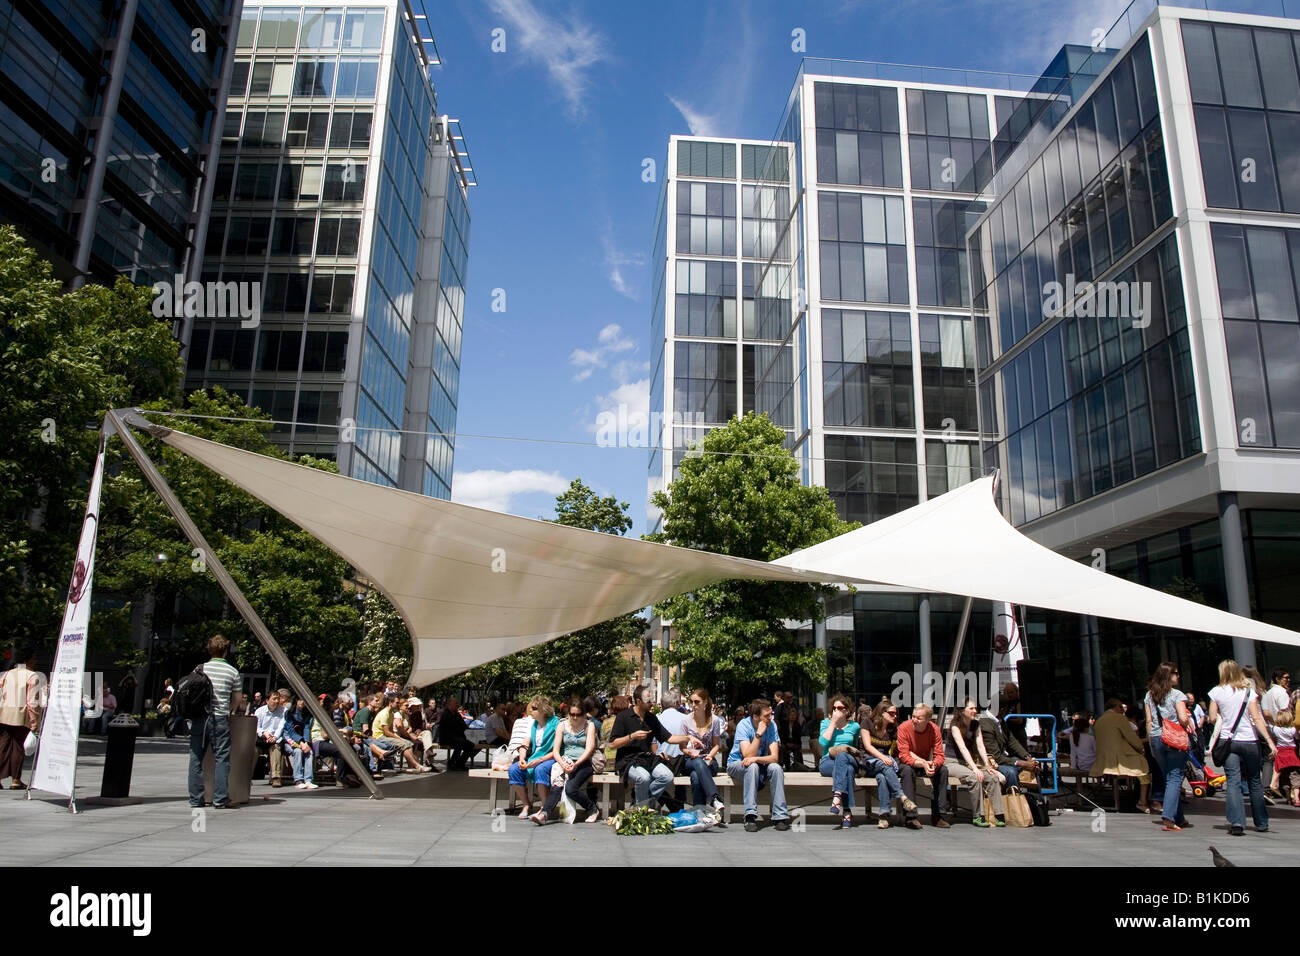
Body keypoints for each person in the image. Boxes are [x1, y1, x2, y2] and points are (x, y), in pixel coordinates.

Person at [1208, 659, 1277, 836]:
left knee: (1233, 781)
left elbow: (1212, 717)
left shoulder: (1216, 692)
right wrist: (1269, 741)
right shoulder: (1248, 692)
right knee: (1254, 780)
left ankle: (1237, 822)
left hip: (1228, 742)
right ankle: (1261, 822)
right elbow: (1257, 718)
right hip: (1249, 741)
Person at [187, 635, 242, 809]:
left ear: (209, 650)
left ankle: (196, 799)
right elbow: (237, 698)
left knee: (196, 758)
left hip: (200, 718)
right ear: (225, 651)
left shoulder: (199, 669)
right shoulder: (232, 672)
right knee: (222, 759)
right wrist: (227, 709)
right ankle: (220, 799)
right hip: (220, 718)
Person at [611, 685, 687, 810]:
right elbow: (613, 744)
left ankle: (640, 805)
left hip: (647, 759)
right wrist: (631, 737)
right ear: (638, 701)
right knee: (644, 777)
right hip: (627, 760)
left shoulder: (651, 718)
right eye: (649, 700)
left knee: (667, 776)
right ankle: (641, 811)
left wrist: (688, 738)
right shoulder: (623, 717)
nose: (652, 703)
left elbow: (668, 738)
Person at [1144, 662, 1195, 832]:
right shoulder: (1177, 694)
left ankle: (1178, 817)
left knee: (1169, 777)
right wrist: (1188, 721)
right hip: (1173, 738)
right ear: (1168, 675)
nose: (1178, 676)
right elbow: (1182, 718)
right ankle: (1169, 816)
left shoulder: (1149, 695)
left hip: (1156, 738)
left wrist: (1151, 744)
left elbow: (1149, 721)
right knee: (1175, 777)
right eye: (1176, 673)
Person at [531, 697, 600, 824]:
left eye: (578, 715)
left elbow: (589, 749)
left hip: (583, 762)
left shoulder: (589, 726)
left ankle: (592, 809)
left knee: (570, 788)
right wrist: (563, 764)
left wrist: (576, 763)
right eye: (572, 714)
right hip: (565, 761)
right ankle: (544, 814)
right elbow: (556, 751)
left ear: (583, 714)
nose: (574, 718)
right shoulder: (562, 725)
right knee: (557, 786)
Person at [726, 697, 789, 832]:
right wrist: (758, 734)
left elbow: (774, 757)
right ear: (755, 716)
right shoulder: (744, 725)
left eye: (771, 714)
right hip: (737, 763)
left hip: (759, 762)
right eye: (766, 716)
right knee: (752, 767)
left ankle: (780, 816)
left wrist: (756, 759)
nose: (770, 718)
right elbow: (747, 756)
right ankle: (750, 815)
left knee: (776, 769)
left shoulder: (772, 726)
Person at [945, 699, 1005, 827]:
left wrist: (987, 766)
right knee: (974, 777)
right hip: (952, 762)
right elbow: (963, 748)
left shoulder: (975, 724)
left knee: (992, 777)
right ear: (962, 710)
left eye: (975, 708)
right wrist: (975, 768)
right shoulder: (955, 725)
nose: (975, 711)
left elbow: (980, 745)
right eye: (971, 709)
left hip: (967, 763)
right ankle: (978, 815)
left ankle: (999, 814)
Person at [1091, 698, 1152, 812]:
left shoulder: (1099, 720)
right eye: (1121, 707)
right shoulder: (1119, 718)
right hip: (1119, 759)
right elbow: (1132, 738)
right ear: (1116, 707)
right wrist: (1141, 746)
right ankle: (1142, 801)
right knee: (1144, 771)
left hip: (1103, 759)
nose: (1124, 710)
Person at [861, 701, 913, 829]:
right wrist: (883, 757)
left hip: (884, 763)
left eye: (896, 713)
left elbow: (902, 746)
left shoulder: (892, 728)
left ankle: (884, 816)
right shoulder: (867, 723)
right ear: (881, 713)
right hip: (869, 761)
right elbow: (867, 746)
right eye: (891, 713)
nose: (894, 716)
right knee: (885, 766)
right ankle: (901, 796)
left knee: (882, 778)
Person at [897, 703, 949, 829]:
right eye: (913, 716)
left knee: (943, 770)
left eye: (918, 718)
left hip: (925, 763)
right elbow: (904, 755)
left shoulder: (934, 729)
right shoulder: (904, 727)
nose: (914, 720)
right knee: (907, 771)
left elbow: (940, 755)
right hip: (906, 763)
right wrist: (923, 763)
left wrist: (934, 765)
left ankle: (938, 815)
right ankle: (910, 817)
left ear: (928, 720)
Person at [508, 696, 559, 817]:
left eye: (534, 708)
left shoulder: (556, 724)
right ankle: (526, 804)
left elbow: (557, 751)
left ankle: (544, 807)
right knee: (514, 769)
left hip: (551, 757)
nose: (530, 711)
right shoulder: (534, 724)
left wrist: (539, 760)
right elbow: (525, 744)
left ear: (543, 710)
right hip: (535, 758)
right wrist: (521, 758)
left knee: (540, 769)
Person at [0, 645, 42, 790]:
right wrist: (34, 721)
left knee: (3, 747)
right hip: (20, 715)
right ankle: (16, 780)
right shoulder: (32, 676)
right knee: (18, 748)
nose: (36, 661)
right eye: (34, 658)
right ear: (27, 660)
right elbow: (32, 702)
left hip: (4, 714)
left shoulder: (7, 674)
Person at [679, 688, 726, 815]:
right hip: (690, 760)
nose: (693, 705)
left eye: (697, 702)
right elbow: (682, 747)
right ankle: (714, 798)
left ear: (705, 703)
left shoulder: (714, 720)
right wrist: (690, 752)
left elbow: (716, 745)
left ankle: (699, 812)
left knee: (696, 776)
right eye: (691, 702)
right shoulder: (685, 720)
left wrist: (710, 756)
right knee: (698, 762)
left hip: (709, 760)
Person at [818, 694, 861, 828]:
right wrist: (833, 723)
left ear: (847, 711)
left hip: (848, 759)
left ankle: (837, 797)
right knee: (846, 770)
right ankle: (846, 811)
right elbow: (823, 742)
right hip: (828, 761)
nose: (836, 710)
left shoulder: (855, 726)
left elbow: (854, 747)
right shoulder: (825, 723)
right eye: (834, 708)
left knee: (843, 757)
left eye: (840, 707)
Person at [979, 706, 1042, 787]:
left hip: (1003, 758)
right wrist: (1022, 763)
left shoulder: (1000, 720)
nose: (1008, 712)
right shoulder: (985, 724)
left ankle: (1036, 797)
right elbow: (996, 757)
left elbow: (1011, 741)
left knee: (1034, 766)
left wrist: (1028, 757)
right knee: (1010, 772)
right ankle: (1013, 797)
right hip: (990, 762)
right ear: (1001, 709)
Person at [311, 694, 362, 787]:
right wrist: (340, 732)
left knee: (351, 749)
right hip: (318, 742)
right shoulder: (323, 714)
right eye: (336, 702)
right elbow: (324, 734)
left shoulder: (330, 714)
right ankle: (339, 778)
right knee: (343, 752)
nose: (338, 704)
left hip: (326, 741)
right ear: (330, 704)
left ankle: (350, 776)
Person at [1262, 667, 1291, 798]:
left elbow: (1266, 712)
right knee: (1287, 758)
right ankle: (1282, 786)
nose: (1288, 680)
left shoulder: (1268, 693)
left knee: (1270, 759)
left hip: (1271, 728)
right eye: (1286, 678)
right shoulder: (1282, 693)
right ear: (1278, 679)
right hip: (1283, 728)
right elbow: (1285, 712)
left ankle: (1268, 786)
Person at [282, 695, 320, 790]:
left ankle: (308, 780)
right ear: (296, 700)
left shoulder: (307, 713)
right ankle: (298, 779)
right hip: (289, 740)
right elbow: (290, 731)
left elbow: (307, 728)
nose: (302, 702)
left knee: (309, 752)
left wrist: (306, 742)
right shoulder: (289, 713)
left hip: (302, 740)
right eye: (300, 700)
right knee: (298, 751)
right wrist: (301, 742)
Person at [254, 691, 287, 786]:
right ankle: (246, 776)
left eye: (278, 699)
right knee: (253, 751)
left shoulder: (283, 711)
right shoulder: (259, 711)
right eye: (274, 699)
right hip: (261, 739)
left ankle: (276, 777)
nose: (277, 701)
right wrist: (264, 733)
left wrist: (275, 737)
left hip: (275, 739)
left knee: (276, 748)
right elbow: (256, 726)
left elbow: (281, 726)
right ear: (267, 700)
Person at [1271, 707, 1299, 806]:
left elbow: (1272, 734)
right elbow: (1296, 738)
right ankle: (1296, 798)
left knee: (1284, 777)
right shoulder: (1293, 730)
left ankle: (1288, 798)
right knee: (1295, 776)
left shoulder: (1275, 729)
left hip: (1281, 753)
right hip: (1292, 753)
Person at [440, 696, 475, 770]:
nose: (457, 705)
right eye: (455, 703)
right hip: (447, 737)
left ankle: (460, 763)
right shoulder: (445, 714)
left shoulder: (457, 714)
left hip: (457, 737)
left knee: (470, 745)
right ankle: (451, 763)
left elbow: (463, 725)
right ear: (450, 704)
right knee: (460, 744)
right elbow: (449, 727)